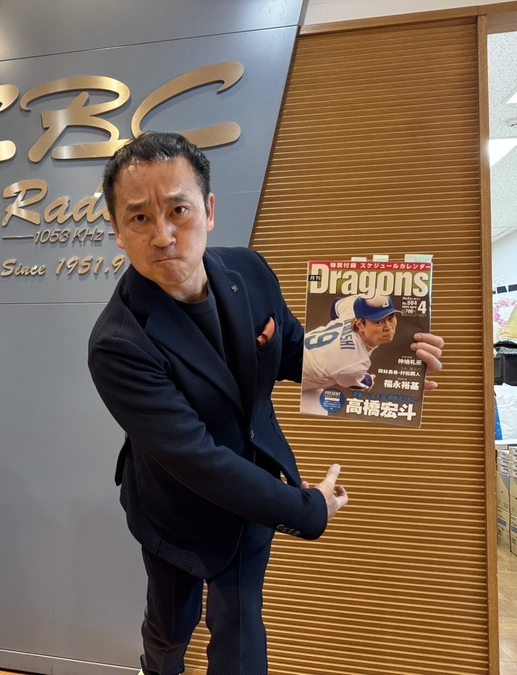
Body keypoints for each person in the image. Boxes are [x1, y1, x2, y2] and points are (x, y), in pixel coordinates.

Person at [86, 132, 444, 675]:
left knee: (240, 631)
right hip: (174, 505)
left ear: (208, 210)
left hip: (255, 485)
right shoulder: (117, 342)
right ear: (116, 229)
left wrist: (396, 369)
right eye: (139, 218)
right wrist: (307, 509)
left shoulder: (249, 272)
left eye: (179, 210)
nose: (163, 236)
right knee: (171, 626)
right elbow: (195, 459)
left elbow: (295, 353)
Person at [300, 294, 400, 415]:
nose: (388, 327)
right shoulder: (353, 365)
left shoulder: (353, 311)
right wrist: (369, 380)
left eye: (390, 318)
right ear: (360, 325)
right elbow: (363, 383)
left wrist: (339, 338)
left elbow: (337, 303)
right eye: (378, 322)